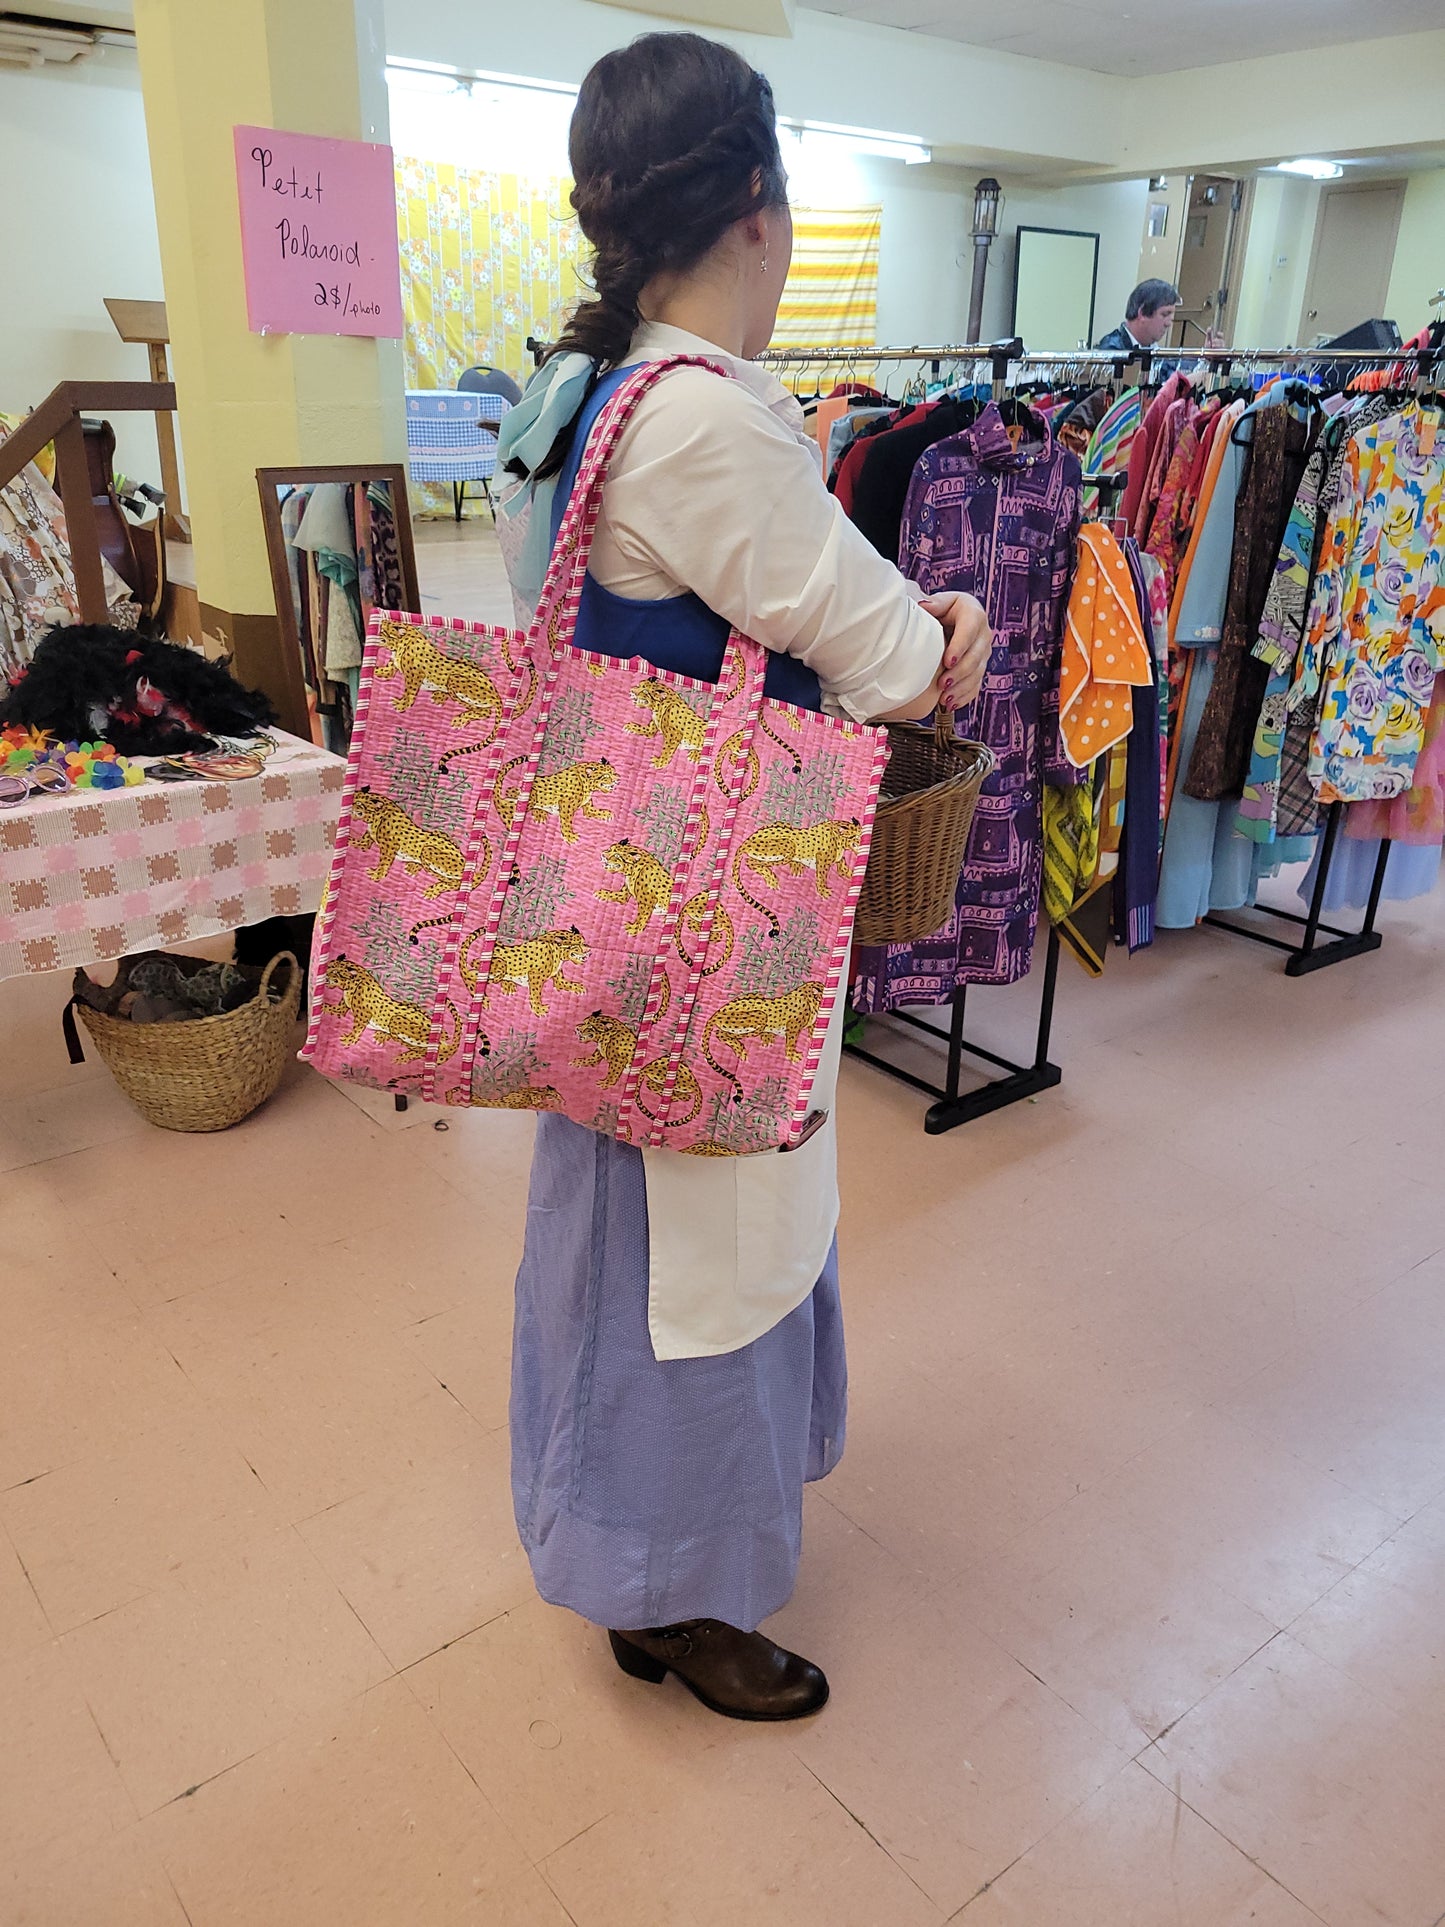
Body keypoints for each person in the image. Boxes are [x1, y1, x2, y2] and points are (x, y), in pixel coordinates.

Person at [495, 32, 990, 1722]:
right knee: (706, 1258)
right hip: (708, 927)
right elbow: (888, 652)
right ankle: (678, 1589)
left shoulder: (575, 393)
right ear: (760, 213)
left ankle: (625, 1546)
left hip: (606, 897)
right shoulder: (704, 426)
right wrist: (961, 634)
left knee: (625, 1241)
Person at [1096, 279, 1225, 355]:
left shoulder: (1154, 349)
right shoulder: (1110, 351)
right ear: (1142, 313)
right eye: (1164, 314)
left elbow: (1179, 378)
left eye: (1171, 315)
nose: (1169, 323)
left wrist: (1206, 357)